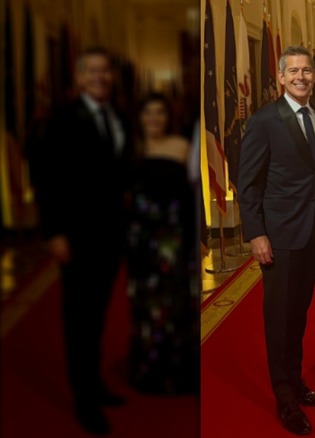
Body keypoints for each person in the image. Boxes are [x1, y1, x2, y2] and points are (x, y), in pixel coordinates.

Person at [30, 46, 132, 435]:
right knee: (78, 320)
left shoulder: (118, 116)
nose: (99, 77)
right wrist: (54, 233)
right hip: (75, 237)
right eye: (92, 71)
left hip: (110, 236)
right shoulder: (61, 120)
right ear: (78, 77)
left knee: (98, 316)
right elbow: (46, 180)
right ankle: (84, 401)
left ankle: (94, 384)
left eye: (104, 71)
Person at [237, 45, 315, 436]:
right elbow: (247, 183)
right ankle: (284, 397)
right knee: (278, 317)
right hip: (278, 235)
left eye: (306, 71)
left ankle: (294, 380)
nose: (301, 77)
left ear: (314, 75)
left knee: (298, 313)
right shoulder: (264, 120)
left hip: (313, 233)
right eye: (293, 71)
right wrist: (256, 233)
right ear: (280, 77)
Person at [125, 93, 199, 395]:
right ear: (140, 117)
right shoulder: (131, 149)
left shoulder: (182, 146)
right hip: (141, 239)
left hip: (173, 239)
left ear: (169, 117)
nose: (154, 118)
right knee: (145, 305)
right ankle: (148, 367)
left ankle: (176, 368)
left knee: (173, 303)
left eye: (160, 112)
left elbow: (191, 195)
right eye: (148, 113)